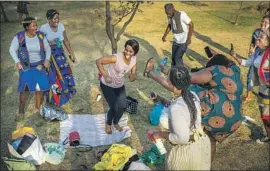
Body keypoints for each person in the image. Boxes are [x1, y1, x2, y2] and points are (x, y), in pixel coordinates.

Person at [144, 52, 244, 163]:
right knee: (210, 140)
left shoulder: (215, 69)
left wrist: (165, 71)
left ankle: (151, 73)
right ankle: (207, 166)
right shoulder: (235, 69)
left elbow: (185, 79)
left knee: (182, 87)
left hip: (217, 110)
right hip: (235, 118)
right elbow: (223, 58)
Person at [144, 63, 211, 170]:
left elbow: (182, 138)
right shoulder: (192, 94)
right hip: (199, 145)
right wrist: (161, 99)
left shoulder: (176, 108)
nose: (165, 79)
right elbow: (183, 114)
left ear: (172, 84)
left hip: (185, 153)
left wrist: (159, 134)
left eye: (167, 78)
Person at [231, 29, 270, 144]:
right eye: (256, 38)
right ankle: (268, 136)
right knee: (264, 114)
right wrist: (234, 55)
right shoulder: (258, 51)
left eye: (261, 38)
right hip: (262, 88)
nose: (257, 40)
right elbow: (246, 63)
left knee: (266, 114)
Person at [9, 17, 51, 117]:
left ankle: (38, 107)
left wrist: (47, 59)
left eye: (36, 25)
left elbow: (47, 47)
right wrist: (17, 61)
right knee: (25, 89)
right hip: (25, 67)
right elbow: (11, 50)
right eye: (33, 26)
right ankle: (21, 110)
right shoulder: (19, 37)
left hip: (39, 65)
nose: (36, 28)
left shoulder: (40, 35)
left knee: (40, 87)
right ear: (27, 27)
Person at [96, 39, 139, 134]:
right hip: (107, 85)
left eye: (131, 51)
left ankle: (115, 122)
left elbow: (134, 65)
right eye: (126, 50)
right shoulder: (116, 58)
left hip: (119, 85)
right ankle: (108, 124)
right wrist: (105, 76)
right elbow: (98, 61)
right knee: (114, 106)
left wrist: (133, 73)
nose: (127, 53)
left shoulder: (134, 58)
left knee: (123, 106)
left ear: (135, 52)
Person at [40, 9, 76, 107]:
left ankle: (67, 93)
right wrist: (50, 43)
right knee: (54, 77)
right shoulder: (44, 28)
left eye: (58, 18)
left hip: (60, 54)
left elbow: (66, 40)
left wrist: (71, 53)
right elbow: (40, 43)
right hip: (50, 56)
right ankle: (57, 97)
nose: (57, 20)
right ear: (49, 19)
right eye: (54, 18)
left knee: (65, 73)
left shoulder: (61, 26)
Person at [245, 15, 269, 102]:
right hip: (256, 56)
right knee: (250, 75)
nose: (263, 23)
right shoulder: (256, 32)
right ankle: (248, 96)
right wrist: (251, 50)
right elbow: (252, 43)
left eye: (266, 22)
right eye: (263, 21)